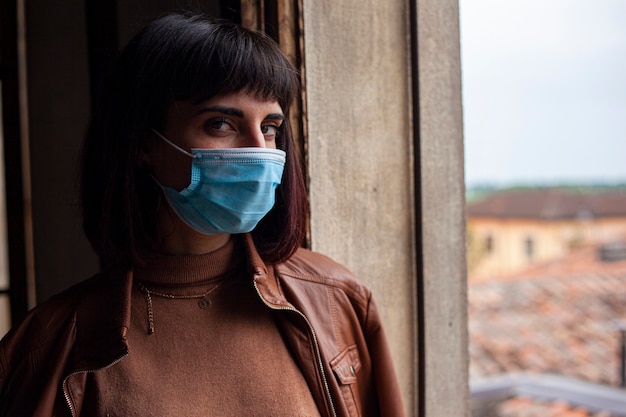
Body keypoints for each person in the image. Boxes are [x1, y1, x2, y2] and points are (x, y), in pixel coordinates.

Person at [0, 12, 405, 417]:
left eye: (270, 127)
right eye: (220, 123)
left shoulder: (336, 301)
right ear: (143, 143)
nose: (258, 151)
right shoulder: (47, 346)